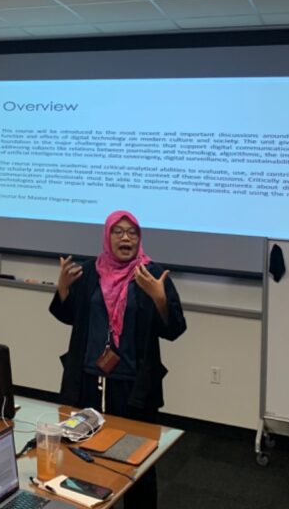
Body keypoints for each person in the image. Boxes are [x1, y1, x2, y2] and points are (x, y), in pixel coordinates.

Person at [49, 210, 187, 509]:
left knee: (137, 463)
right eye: (118, 231)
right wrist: (62, 288)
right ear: (107, 236)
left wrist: (160, 299)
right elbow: (69, 316)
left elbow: (175, 329)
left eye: (132, 232)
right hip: (86, 379)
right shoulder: (89, 272)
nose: (126, 237)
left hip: (133, 385)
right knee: (81, 455)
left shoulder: (151, 274)